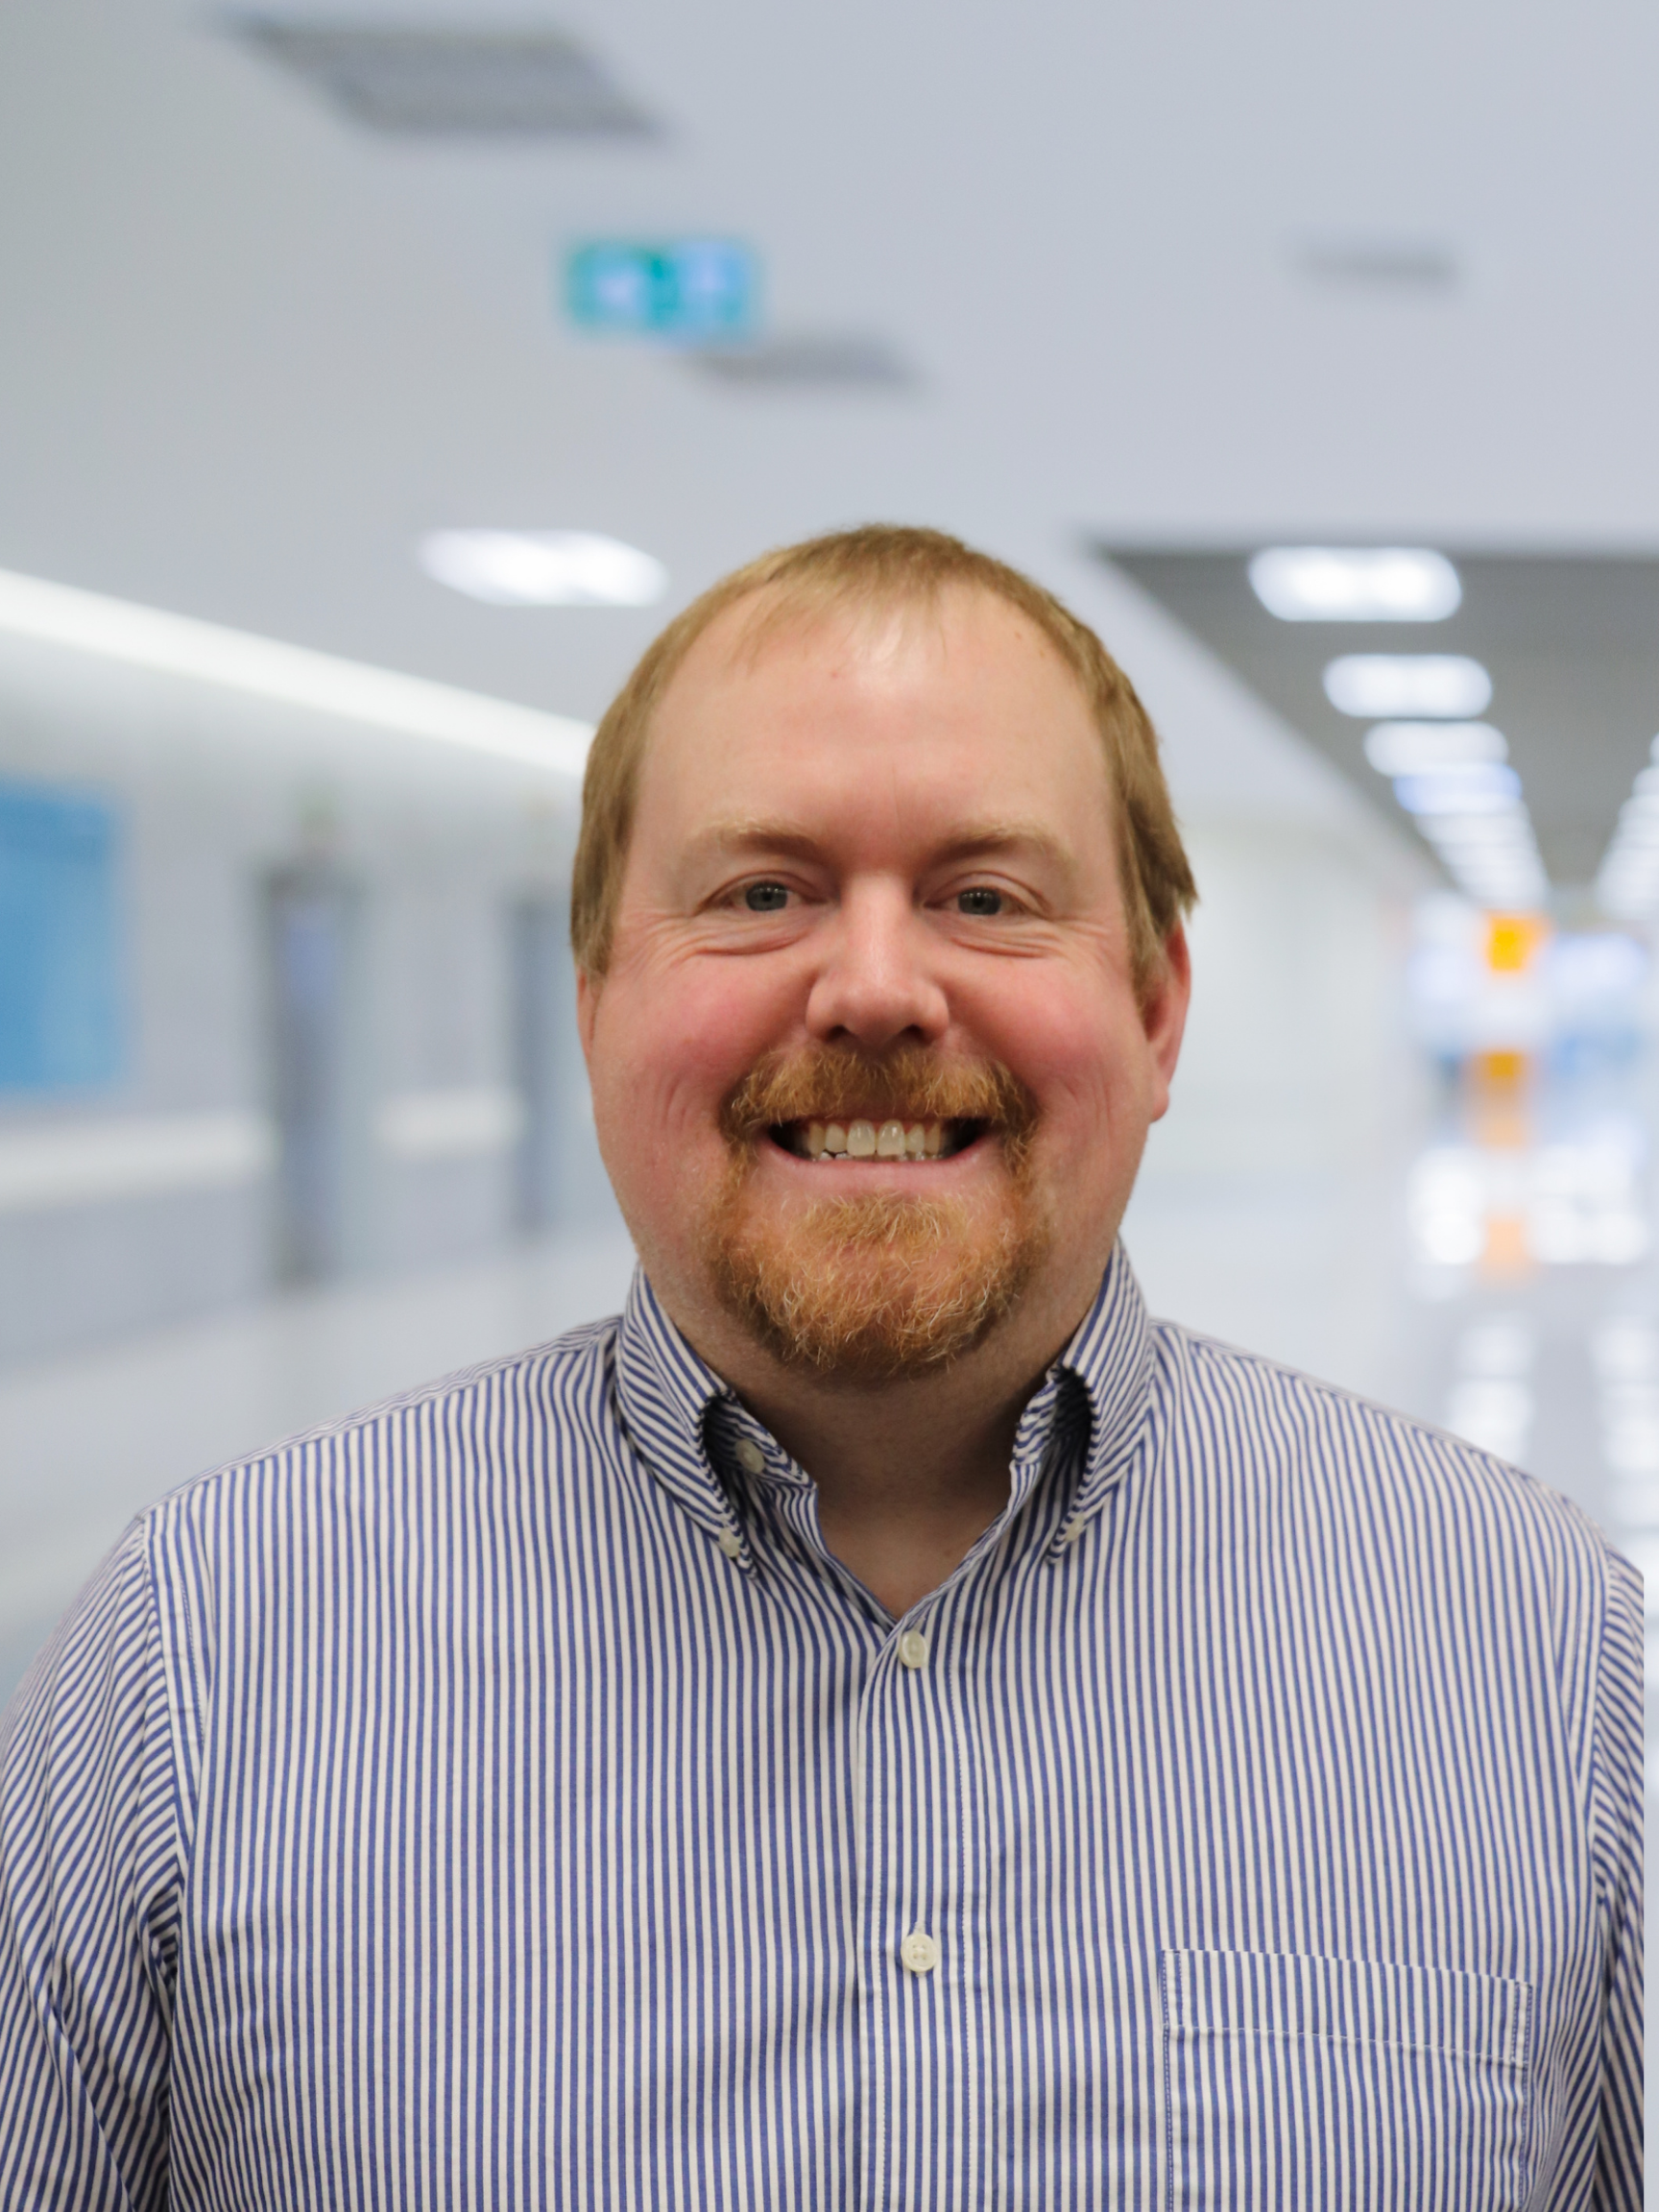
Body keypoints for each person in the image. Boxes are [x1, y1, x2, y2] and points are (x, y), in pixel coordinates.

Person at [0, 526, 1640, 2208]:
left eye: (984, 897)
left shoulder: (1539, 1651)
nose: (872, 989)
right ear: (596, 1000)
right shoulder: (201, 1660)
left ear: (1157, 1013)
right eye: (761, 894)